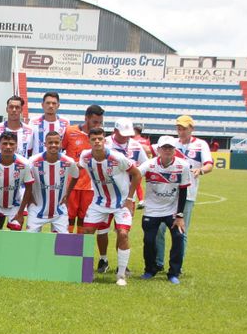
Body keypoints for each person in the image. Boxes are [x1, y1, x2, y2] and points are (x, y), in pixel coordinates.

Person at [79, 128, 142, 286]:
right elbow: (76, 169)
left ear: (104, 140)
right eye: (94, 139)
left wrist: (129, 199)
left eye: (100, 138)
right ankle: (86, 271)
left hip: (121, 203)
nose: (97, 142)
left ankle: (121, 275)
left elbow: (137, 174)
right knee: (86, 232)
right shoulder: (85, 157)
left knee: (123, 234)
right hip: (99, 202)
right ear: (89, 141)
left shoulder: (117, 157)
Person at [155, 115, 213, 270]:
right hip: (167, 194)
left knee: (180, 230)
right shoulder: (171, 144)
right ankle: (158, 263)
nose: (181, 132)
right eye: (179, 128)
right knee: (159, 229)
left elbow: (209, 165)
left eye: (184, 129)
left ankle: (176, 267)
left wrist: (200, 170)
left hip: (188, 193)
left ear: (191, 129)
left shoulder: (201, 145)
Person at [137, 136, 191, 284]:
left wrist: (180, 215)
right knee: (149, 240)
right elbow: (134, 175)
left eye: (170, 148)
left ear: (175, 150)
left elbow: (184, 191)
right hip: (152, 210)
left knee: (179, 237)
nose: (167, 150)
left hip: (172, 210)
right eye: (164, 148)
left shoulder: (183, 166)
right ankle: (150, 270)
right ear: (158, 150)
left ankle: (174, 273)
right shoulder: (149, 165)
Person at [96, 118, 149, 268]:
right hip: (105, 193)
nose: (126, 137)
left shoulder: (136, 146)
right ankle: (103, 259)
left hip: (125, 196)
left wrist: (135, 174)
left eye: (129, 134)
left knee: (123, 231)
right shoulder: (104, 143)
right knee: (102, 229)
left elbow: (144, 164)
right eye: (123, 134)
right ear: (115, 131)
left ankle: (122, 265)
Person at [61, 104, 104, 235]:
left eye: (100, 123)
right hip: (71, 184)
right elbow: (60, 151)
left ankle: (78, 248)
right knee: (68, 217)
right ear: (86, 118)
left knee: (84, 218)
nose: (97, 126)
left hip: (90, 186)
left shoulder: (99, 138)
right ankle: (66, 247)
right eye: (95, 122)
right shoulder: (70, 131)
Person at [26, 131, 79, 234]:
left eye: (56, 142)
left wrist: (67, 194)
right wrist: (30, 197)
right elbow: (25, 179)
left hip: (59, 210)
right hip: (37, 208)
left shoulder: (68, 161)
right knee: (30, 241)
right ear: (45, 144)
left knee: (63, 242)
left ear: (61, 143)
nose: (53, 145)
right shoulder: (33, 161)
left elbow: (76, 176)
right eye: (50, 142)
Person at [0, 131, 33, 230]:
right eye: (5, 143)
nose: (8, 147)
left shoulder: (24, 164)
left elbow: (29, 188)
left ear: (16, 146)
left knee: (16, 228)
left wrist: (20, 213)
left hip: (14, 204)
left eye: (11, 144)